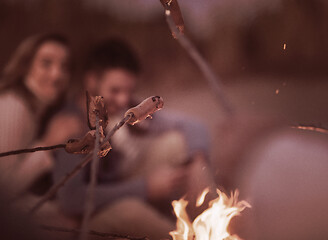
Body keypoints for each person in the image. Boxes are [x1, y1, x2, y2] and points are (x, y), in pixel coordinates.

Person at [52, 38, 213, 239]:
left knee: (177, 143)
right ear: (92, 80)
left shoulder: (124, 109)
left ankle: (214, 224)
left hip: (122, 184)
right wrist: (146, 188)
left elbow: (192, 125)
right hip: (89, 214)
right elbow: (70, 199)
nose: (123, 100)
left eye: (129, 91)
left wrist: (197, 160)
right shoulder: (71, 125)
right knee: (130, 212)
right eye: (115, 90)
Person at [0, 33, 71, 196]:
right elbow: (3, 190)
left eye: (64, 67)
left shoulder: (36, 109)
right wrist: (48, 143)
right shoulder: (13, 107)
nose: (57, 75)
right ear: (25, 66)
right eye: (46, 64)